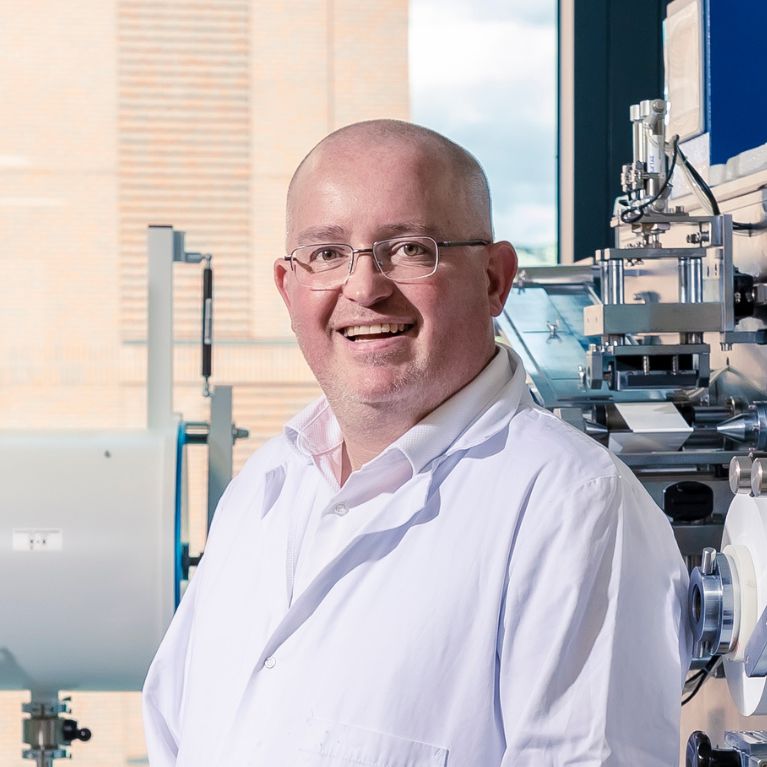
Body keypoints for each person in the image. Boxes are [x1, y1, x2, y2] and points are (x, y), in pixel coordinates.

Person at [143, 120, 690, 766]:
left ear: (494, 278)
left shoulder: (575, 512)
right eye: (325, 253)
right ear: (287, 288)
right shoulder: (261, 490)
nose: (364, 287)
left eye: (407, 248)